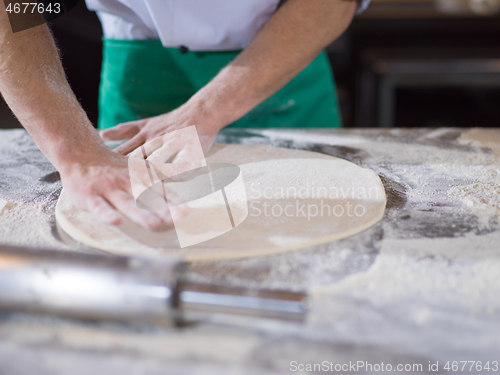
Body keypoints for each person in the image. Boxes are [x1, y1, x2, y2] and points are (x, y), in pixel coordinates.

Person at [0, 0, 368, 230]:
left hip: (281, 62)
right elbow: (16, 11)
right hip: (142, 71)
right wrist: (76, 152)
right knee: (140, 239)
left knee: (308, 227)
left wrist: (208, 110)